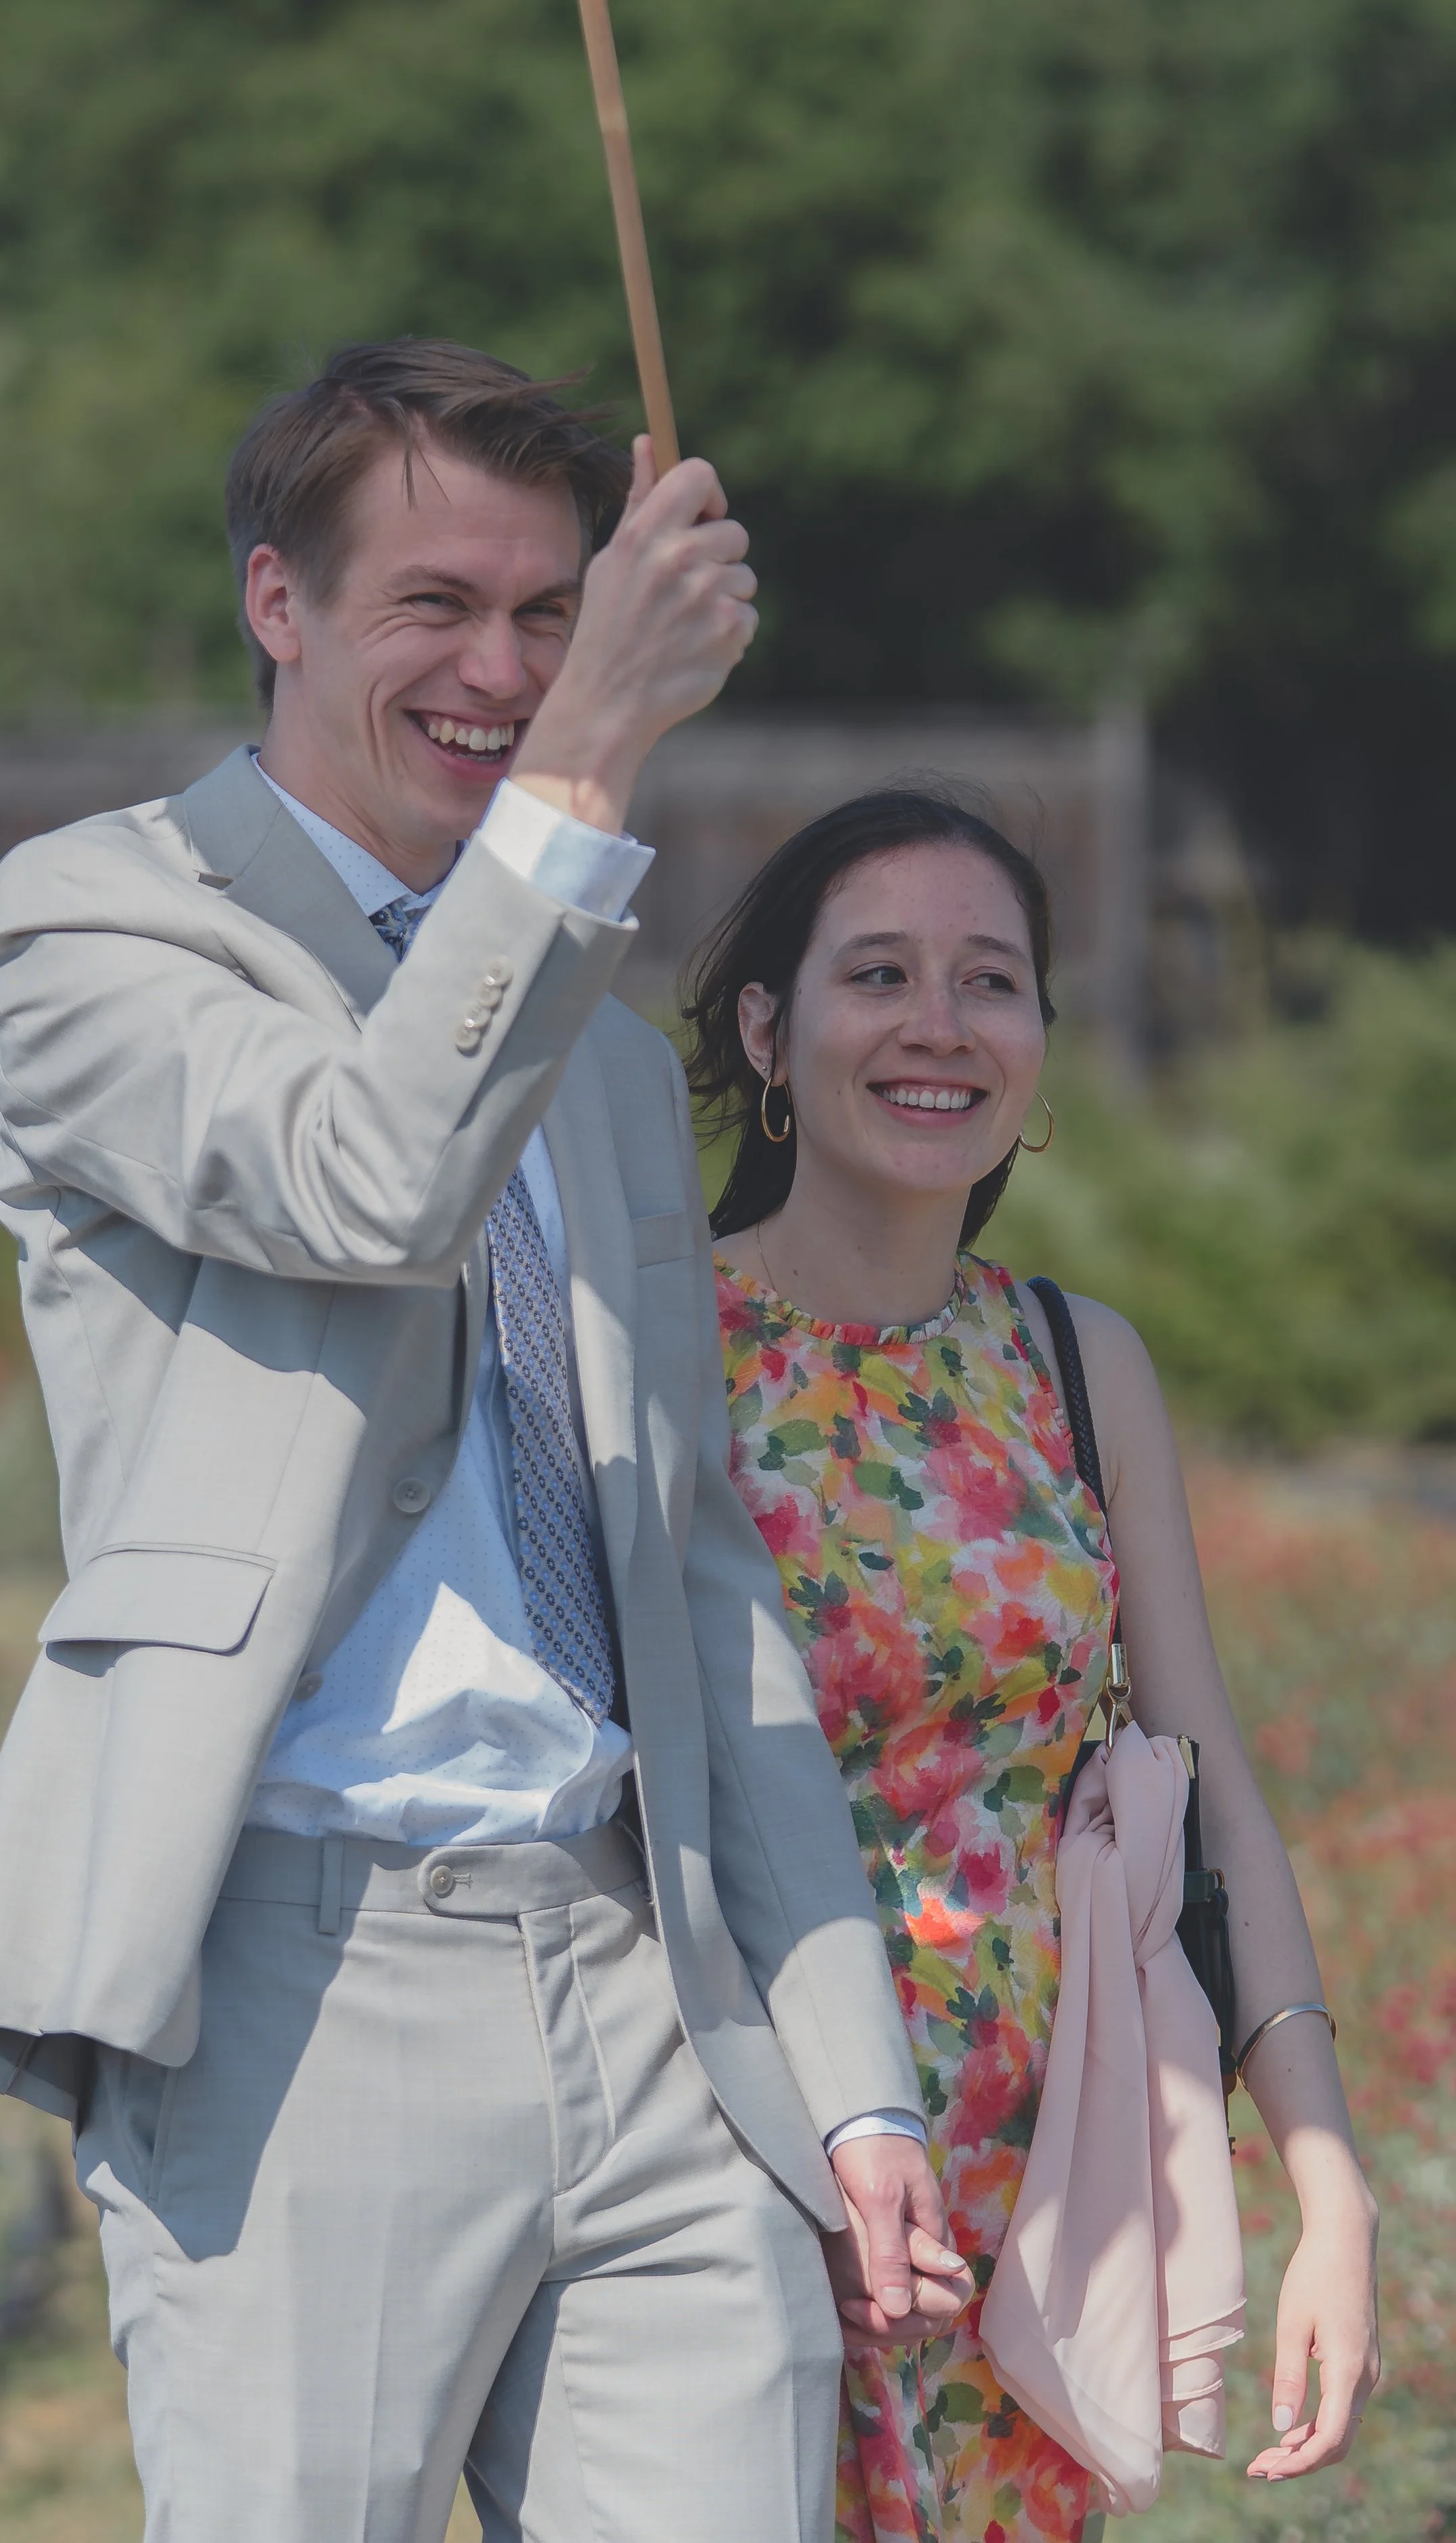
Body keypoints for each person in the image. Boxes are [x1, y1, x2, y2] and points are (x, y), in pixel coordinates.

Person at [0, 341, 969, 2543]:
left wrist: (850, 2066)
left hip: (650, 1982)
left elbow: (690, 1562)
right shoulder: (93, 918)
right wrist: (581, 778)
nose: (499, 668)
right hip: (303, 1984)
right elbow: (364, 1182)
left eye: (550, 615)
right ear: (275, 603)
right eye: (433, 605)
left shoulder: (580, 1020)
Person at [684, 788, 1381, 2543]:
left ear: (1039, 1047)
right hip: (728, 2177)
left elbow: (1201, 1767)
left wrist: (1327, 2178)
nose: (939, 1022)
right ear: (768, 1029)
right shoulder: (656, 1349)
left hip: (1042, 2190)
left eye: (989, 978)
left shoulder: (1074, 1359)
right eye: (879, 973)